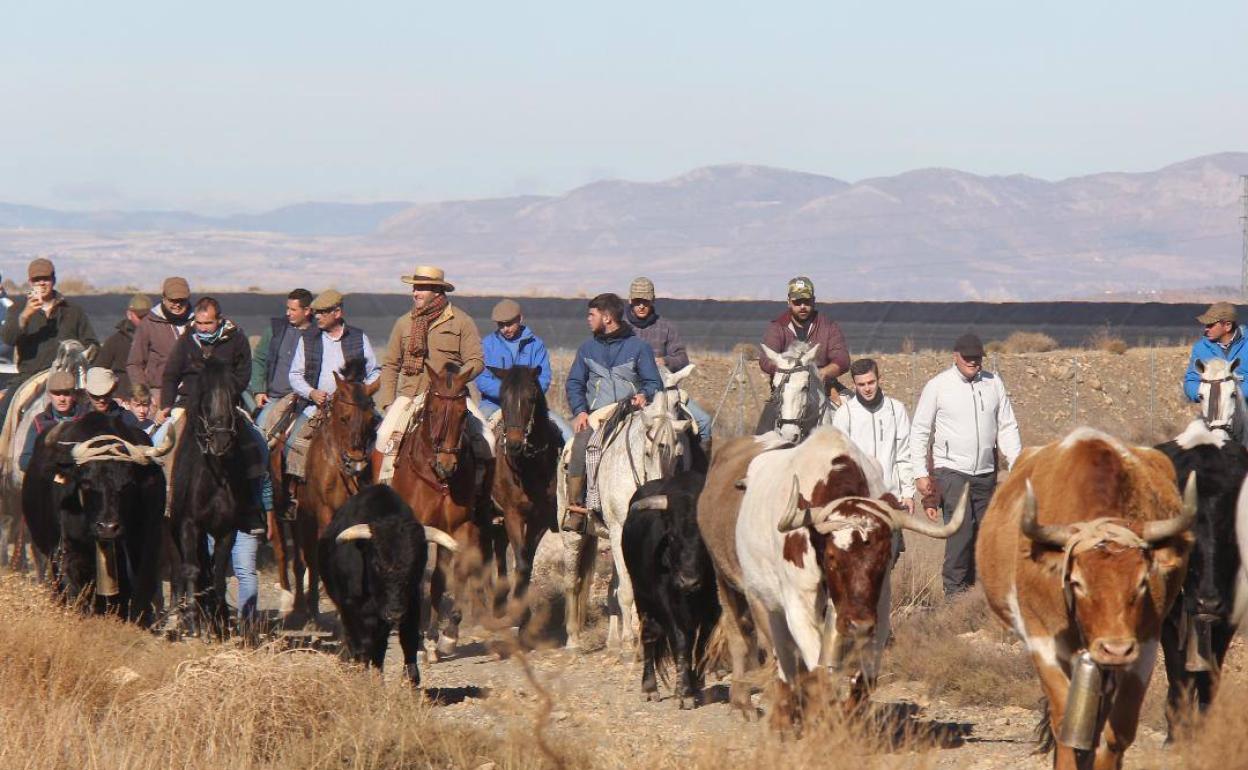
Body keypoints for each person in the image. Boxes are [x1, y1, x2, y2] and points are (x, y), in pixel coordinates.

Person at [910, 333, 1021, 597]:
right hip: (951, 472)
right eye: (968, 358)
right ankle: (955, 598)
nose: (974, 363)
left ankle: (981, 596)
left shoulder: (993, 384)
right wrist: (919, 473)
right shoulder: (938, 386)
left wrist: (1018, 464)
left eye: (977, 358)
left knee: (986, 536)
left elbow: (1007, 426)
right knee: (961, 533)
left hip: (985, 473)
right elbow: (920, 431)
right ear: (955, 356)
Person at [156, 297, 269, 535]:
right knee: (159, 444)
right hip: (189, 403)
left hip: (225, 405)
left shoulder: (236, 338)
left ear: (219, 320)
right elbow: (171, 374)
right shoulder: (188, 339)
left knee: (257, 443)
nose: (203, 328)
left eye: (208, 323)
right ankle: (167, 501)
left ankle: (251, 506)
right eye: (199, 323)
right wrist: (165, 405)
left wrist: (224, 395)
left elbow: (244, 373)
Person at [561, 292, 662, 537]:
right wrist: (580, 411)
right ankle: (577, 507)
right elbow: (574, 383)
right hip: (599, 414)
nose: (588, 319)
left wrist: (644, 395)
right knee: (581, 443)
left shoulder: (639, 348)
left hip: (631, 413)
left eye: (591, 315)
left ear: (606, 318)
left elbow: (654, 382)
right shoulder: (586, 349)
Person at [375, 266, 484, 481]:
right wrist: (387, 403)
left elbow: (476, 360)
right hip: (411, 396)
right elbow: (390, 365)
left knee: (486, 441)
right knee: (383, 436)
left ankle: (482, 499)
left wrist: (453, 382)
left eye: (421, 288)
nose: (415, 293)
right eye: (415, 288)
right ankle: (381, 491)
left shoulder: (461, 321)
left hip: (452, 398)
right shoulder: (404, 323)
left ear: (437, 290)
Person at [285, 289, 381, 491]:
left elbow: (375, 372)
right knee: (293, 442)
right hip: (317, 407)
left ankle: (376, 488)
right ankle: (295, 492)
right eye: (316, 312)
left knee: (380, 438)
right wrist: (311, 392)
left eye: (323, 312)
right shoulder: (308, 338)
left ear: (337, 313)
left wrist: (361, 392)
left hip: (354, 409)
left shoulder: (358, 337)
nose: (317, 316)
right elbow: (295, 374)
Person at [832, 358, 915, 559]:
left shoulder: (896, 410)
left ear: (879, 379)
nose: (867, 388)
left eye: (871, 382)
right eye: (861, 384)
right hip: (858, 503)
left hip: (890, 499)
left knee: (889, 558)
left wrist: (908, 493)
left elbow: (904, 454)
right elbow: (840, 462)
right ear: (854, 384)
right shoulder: (845, 414)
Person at [0, 257, 99, 425]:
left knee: (95, 415)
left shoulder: (72, 311)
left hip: (68, 379)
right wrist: (25, 316)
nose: (42, 283)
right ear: (30, 282)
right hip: (30, 377)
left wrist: (82, 356)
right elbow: (8, 339)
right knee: (5, 412)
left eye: (45, 278)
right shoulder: (17, 309)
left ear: (53, 280)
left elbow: (92, 344)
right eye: (37, 280)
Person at [625, 277, 712, 449]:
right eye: (637, 301)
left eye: (646, 301)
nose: (641, 306)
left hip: (664, 390)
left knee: (704, 421)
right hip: (629, 390)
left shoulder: (666, 327)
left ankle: (701, 471)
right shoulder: (621, 328)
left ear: (653, 301)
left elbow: (682, 358)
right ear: (630, 301)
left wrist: (664, 360)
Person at [476, 298, 571, 441]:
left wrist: (524, 396)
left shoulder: (536, 345)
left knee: (566, 434)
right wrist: (510, 393)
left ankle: (562, 463)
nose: (505, 329)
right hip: (493, 405)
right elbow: (482, 378)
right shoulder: (487, 345)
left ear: (520, 318)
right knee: (476, 436)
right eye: (501, 325)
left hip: (529, 406)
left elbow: (543, 377)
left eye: (509, 324)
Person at [758, 276, 850, 399]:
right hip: (785, 390)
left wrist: (822, 373)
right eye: (797, 302)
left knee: (854, 409)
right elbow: (765, 360)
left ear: (813, 300)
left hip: (825, 389)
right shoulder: (777, 327)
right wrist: (789, 371)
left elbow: (842, 359)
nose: (802, 306)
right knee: (767, 417)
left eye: (806, 301)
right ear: (789, 301)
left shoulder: (828, 326)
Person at [250, 288, 314, 435]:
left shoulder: (316, 334)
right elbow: (259, 358)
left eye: (293, 309)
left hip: (302, 401)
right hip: (274, 398)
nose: (288, 313)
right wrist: (259, 390)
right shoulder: (276, 329)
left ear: (307, 310)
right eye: (287, 308)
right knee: (261, 431)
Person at [126, 276, 193, 409]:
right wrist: (145, 393)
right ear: (164, 297)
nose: (177, 304)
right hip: (159, 392)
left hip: (193, 390)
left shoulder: (199, 321)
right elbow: (134, 363)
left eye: (182, 300)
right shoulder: (149, 323)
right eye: (173, 300)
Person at [19, 370, 85, 471]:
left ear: (74, 394)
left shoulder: (86, 419)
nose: (62, 399)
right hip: (49, 481)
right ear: (49, 395)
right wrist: (50, 471)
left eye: (66, 393)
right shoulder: (39, 422)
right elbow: (25, 460)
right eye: (57, 393)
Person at [1183, 301, 1248, 402]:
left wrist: (1231, 393)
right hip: (1213, 411)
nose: (1206, 329)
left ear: (1227, 326)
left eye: (1211, 325)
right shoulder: (1200, 349)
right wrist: (1205, 393)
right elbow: (1191, 381)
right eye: (1206, 325)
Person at [96, 293, 151, 398]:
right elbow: (98, 371)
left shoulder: (158, 337)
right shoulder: (115, 342)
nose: (144, 320)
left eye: (147, 316)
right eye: (140, 317)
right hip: (123, 398)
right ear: (129, 314)